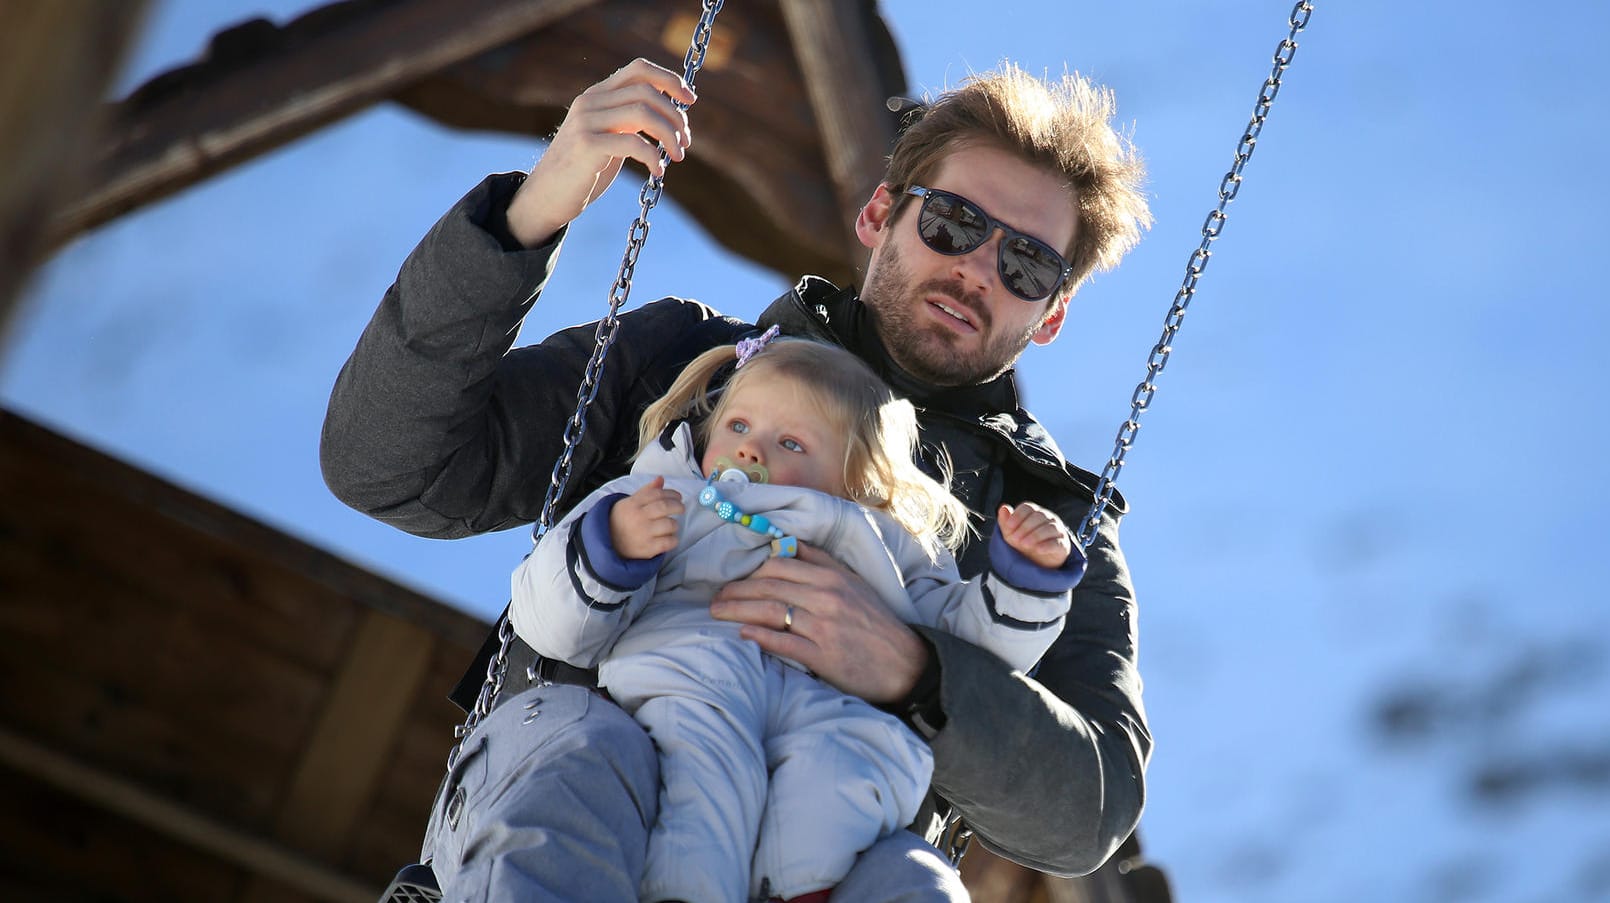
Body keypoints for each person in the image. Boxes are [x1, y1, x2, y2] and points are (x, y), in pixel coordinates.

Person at [322, 56, 1154, 901]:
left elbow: (1092, 807)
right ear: (880, 214)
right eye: (951, 221)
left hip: (818, 860)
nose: (979, 268)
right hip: (575, 803)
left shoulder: (1043, 530)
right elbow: (387, 465)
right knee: (584, 754)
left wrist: (915, 670)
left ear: (1051, 313)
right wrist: (535, 207)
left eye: (1026, 266)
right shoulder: (685, 370)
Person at [514, 332, 1083, 903]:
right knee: (705, 770)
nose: (752, 451)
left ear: (854, 482)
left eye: (790, 442)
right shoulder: (665, 499)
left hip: (832, 709)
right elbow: (549, 623)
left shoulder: (887, 547)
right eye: (738, 427)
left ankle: (801, 892)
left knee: (854, 769)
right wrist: (611, 549)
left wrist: (1025, 582)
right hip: (694, 676)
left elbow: (967, 644)